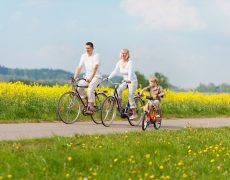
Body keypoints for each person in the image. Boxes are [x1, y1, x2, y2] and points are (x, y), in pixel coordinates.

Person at [107, 48, 138, 120]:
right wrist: (109, 77)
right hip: (125, 80)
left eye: (125, 53)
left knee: (130, 96)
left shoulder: (130, 62)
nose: (123, 54)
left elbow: (130, 71)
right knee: (118, 90)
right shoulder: (119, 62)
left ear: (128, 54)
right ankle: (119, 106)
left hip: (132, 81)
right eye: (122, 53)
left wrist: (129, 79)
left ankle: (134, 114)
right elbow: (115, 71)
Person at [74, 42, 102, 114]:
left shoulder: (96, 55)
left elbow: (95, 67)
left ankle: (91, 107)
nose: (87, 50)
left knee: (90, 88)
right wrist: (74, 78)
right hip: (87, 77)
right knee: (79, 88)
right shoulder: (83, 56)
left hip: (96, 76)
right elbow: (79, 67)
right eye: (86, 48)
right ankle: (87, 100)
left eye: (88, 48)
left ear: (92, 48)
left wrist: (91, 78)